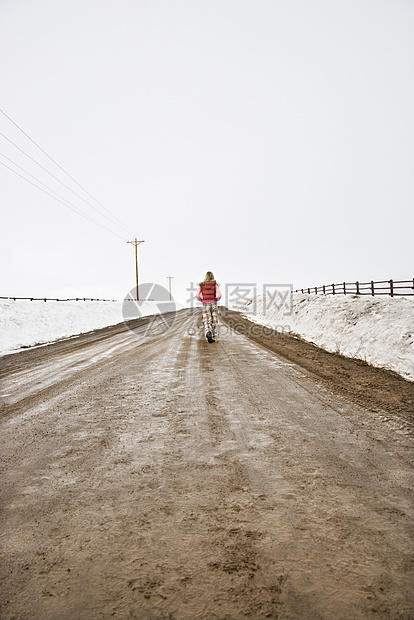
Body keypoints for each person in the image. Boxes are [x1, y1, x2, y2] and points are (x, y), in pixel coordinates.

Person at [196, 271, 222, 343]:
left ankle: (208, 331)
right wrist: (216, 299)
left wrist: (201, 300)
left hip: (205, 304)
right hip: (213, 303)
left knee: (207, 320)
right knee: (214, 320)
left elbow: (197, 295)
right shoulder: (215, 285)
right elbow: (219, 295)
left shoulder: (201, 285)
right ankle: (214, 337)